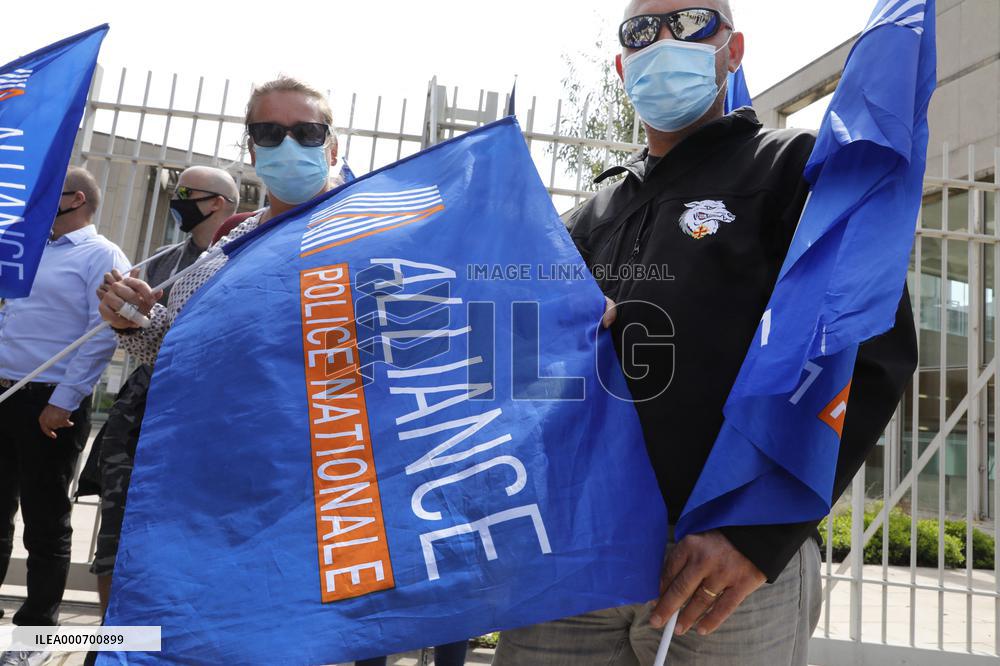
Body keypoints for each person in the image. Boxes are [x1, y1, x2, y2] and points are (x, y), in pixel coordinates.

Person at [492, 2, 917, 665]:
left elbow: (867, 343)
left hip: (722, 566)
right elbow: (525, 371)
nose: (663, 41)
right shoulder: (587, 215)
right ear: (621, 65)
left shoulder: (793, 168)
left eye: (690, 23)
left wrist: (757, 534)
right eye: (641, 32)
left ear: (734, 48)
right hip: (572, 560)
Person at [98, 75, 341, 361]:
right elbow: (187, 350)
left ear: (333, 150)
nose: (288, 145)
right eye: (269, 133)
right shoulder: (234, 236)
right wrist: (134, 318)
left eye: (307, 132)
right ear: (253, 152)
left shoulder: (372, 230)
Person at [86, 165, 238, 616]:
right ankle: (115, 639)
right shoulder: (160, 262)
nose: (178, 199)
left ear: (216, 204)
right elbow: (134, 332)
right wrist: (120, 308)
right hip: (143, 409)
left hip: (207, 416)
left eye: (187, 193)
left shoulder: (240, 258)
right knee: (117, 532)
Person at [0, 167, 130, 665]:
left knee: (45, 523)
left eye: (47, 193)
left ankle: (34, 638)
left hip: (47, 404)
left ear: (75, 199)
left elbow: (100, 335)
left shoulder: (102, 256)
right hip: (5, 394)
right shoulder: (27, 246)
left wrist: (65, 400)